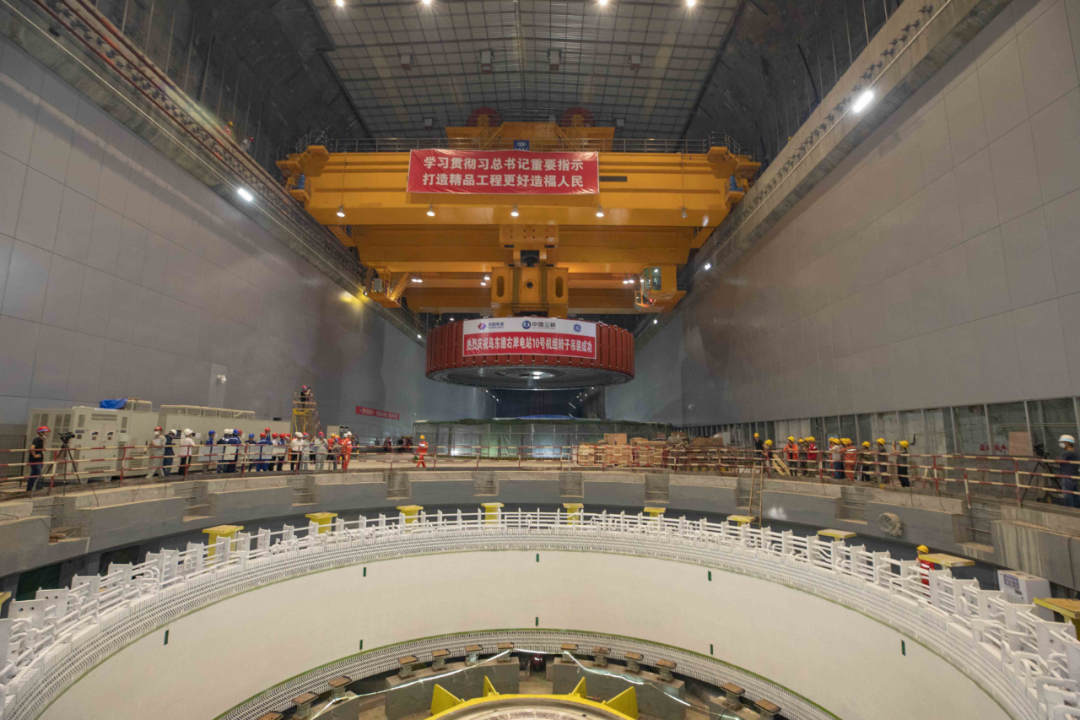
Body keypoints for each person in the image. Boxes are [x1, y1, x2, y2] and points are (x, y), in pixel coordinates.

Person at [1059, 435, 1079, 508]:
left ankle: (1070, 507)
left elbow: (1060, 462)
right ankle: (1077, 507)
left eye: (1062, 442)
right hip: (1075, 476)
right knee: (1075, 493)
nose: (1061, 443)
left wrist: (1058, 460)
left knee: (1067, 493)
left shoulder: (1066, 453)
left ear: (1067, 443)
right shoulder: (1076, 452)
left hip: (1067, 476)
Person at [27, 426, 48, 492]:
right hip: (35, 460)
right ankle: (38, 487)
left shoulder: (41, 440)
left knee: (33, 474)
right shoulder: (37, 440)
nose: (47, 434)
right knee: (37, 473)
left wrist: (44, 439)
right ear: (41, 433)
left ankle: (29, 488)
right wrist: (35, 455)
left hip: (39, 460)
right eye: (46, 432)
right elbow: (32, 448)